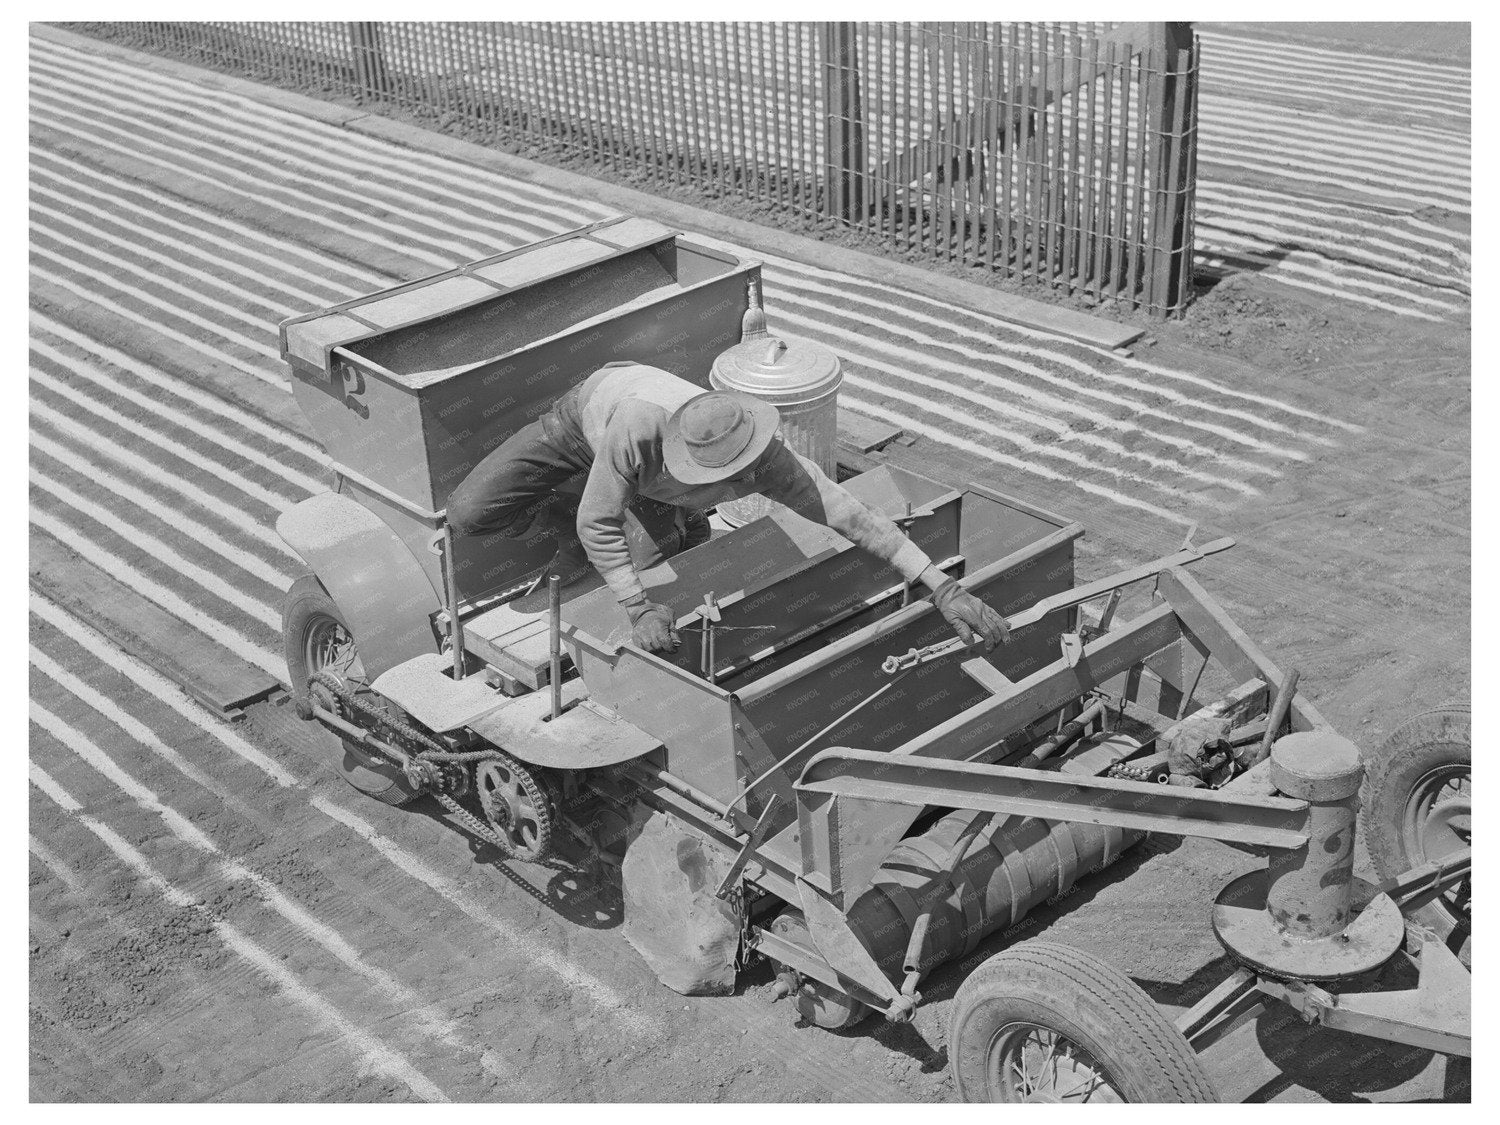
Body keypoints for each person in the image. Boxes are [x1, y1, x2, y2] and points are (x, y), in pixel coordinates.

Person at [447, 361, 1009, 654]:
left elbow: (854, 517)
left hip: (647, 478)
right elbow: (596, 522)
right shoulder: (638, 429)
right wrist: (639, 609)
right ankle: (572, 502)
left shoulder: (770, 460)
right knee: (469, 514)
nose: (737, 483)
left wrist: (941, 586)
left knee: (653, 563)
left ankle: (674, 520)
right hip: (584, 422)